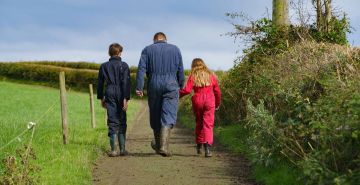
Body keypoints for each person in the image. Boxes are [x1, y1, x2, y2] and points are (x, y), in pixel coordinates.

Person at [136, 32, 185, 157]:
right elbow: (180, 69)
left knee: (155, 114)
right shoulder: (175, 49)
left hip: (154, 84)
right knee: (168, 114)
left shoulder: (147, 50)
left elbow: (141, 69)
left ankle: (159, 145)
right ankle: (162, 146)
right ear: (165, 39)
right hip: (171, 85)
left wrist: (139, 87)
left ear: (154, 40)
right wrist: (180, 84)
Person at [179, 58, 221, 157]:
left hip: (197, 100)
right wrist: (217, 103)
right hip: (210, 100)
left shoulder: (193, 76)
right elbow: (217, 91)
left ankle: (199, 145)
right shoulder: (211, 75)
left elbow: (187, 90)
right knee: (208, 124)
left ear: (193, 65)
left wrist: (177, 95)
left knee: (199, 123)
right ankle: (207, 148)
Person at [97, 43, 131, 157]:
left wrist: (101, 98)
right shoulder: (124, 65)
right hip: (121, 92)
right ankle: (122, 149)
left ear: (109, 53)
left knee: (112, 119)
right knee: (122, 120)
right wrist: (126, 98)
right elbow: (126, 83)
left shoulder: (103, 66)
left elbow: (100, 83)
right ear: (120, 52)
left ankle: (113, 150)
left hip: (109, 92)